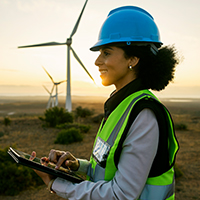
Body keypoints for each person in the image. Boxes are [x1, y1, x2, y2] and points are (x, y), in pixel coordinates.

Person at [31, 6, 179, 200]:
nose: (97, 61)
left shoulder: (144, 114)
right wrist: (79, 165)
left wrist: (57, 184)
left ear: (133, 59)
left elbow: (121, 194)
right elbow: (109, 167)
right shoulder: (121, 104)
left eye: (106, 53)